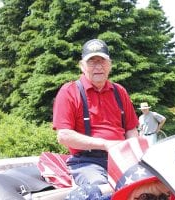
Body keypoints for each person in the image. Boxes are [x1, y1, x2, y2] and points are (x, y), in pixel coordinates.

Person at [52, 39, 139, 190]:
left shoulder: (120, 91)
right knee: (100, 190)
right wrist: (105, 144)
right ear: (82, 66)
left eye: (102, 61)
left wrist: (133, 151)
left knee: (151, 183)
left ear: (110, 65)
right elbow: (64, 136)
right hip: (87, 161)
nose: (98, 67)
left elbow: (131, 129)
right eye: (92, 62)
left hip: (121, 157)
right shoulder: (69, 92)